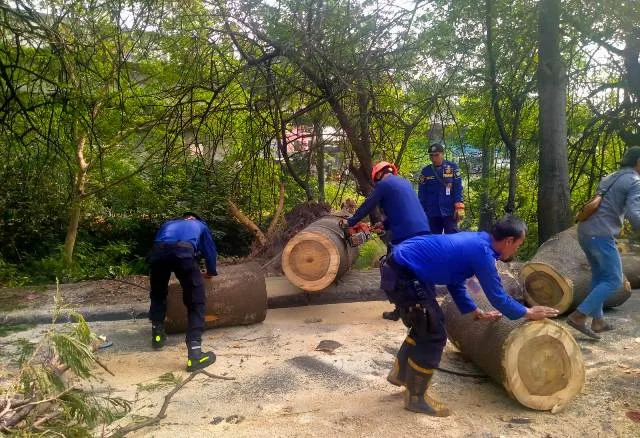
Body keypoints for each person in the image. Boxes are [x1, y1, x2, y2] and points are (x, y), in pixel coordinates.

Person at [381, 215, 559, 416]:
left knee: (427, 325)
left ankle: (401, 375)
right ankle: (416, 398)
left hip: (403, 269)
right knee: (434, 333)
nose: (516, 249)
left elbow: (455, 279)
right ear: (508, 241)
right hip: (403, 275)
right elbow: (497, 297)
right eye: (518, 244)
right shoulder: (482, 253)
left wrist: (474, 311)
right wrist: (527, 312)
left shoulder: (478, 241)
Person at [568, 146, 640, 339]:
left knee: (600, 276)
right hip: (601, 234)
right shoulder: (634, 181)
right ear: (638, 161)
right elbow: (634, 213)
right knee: (613, 279)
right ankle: (578, 316)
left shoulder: (610, 177)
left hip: (585, 231)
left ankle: (598, 321)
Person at [147, 212, 218, 371]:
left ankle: (157, 336)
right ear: (195, 219)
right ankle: (195, 355)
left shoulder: (168, 224)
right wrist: (211, 271)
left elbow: (160, 245)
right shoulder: (201, 225)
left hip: (157, 254)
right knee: (196, 303)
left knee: (158, 294)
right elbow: (209, 251)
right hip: (183, 253)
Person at [344, 161, 430, 246]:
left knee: (398, 258)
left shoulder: (383, 184)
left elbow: (368, 205)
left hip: (405, 233)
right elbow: (404, 211)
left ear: (379, 174)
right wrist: (384, 224)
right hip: (424, 229)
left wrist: (350, 222)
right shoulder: (406, 183)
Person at [418, 143, 464, 234]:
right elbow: (422, 192)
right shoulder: (426, 171)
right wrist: (421, 210)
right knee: (433, 241)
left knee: (452, 239)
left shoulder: (452, 168)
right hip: (432, 212)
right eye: (431, 156)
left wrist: (459, 207)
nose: (434, 158)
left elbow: (458, 187)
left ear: (442, 154)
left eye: (436, 155)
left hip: (449, 211)